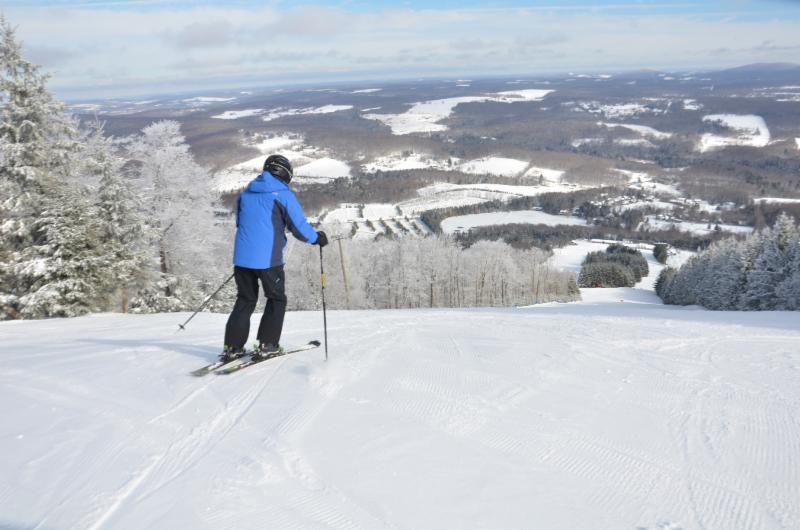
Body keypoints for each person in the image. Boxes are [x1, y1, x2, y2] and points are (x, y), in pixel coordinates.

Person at [222, 154, 328, 361]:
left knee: (245, 300)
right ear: (285, 173)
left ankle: (232, 348)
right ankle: (268, 345)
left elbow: (241, 224)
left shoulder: (245, 194)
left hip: (242, 259)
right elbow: (299, 228)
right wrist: (317, 238)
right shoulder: (282, 195)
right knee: (277, 298)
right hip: (268, 260)